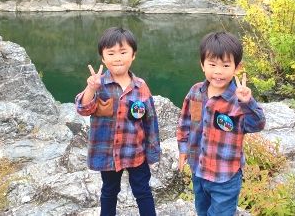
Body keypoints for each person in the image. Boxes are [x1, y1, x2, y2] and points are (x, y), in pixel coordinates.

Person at [177, 31, 266, 216]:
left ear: (237, 67)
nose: (218, 71)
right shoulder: (195, 92)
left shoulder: (238, 99)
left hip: (225, 175)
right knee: (202, 210)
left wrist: (248, 102)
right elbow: (186, 122)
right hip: (199, 169)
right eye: (212, 64)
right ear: (202, 65)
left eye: (225, 65)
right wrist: (183, 149)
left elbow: (257, 125)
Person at [75, 27, 161, 216]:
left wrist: (153, 153)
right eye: (111, 53)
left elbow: (150, 121)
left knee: (143, 191)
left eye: (123, 52)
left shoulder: (141, 86)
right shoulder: (99, 85)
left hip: (136, 152)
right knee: (109, 191)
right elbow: (83, 109)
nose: (117, 58)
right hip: (108, 154)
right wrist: (91, 88)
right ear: (103, 58)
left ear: (133, 55)